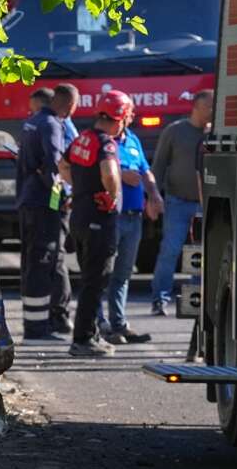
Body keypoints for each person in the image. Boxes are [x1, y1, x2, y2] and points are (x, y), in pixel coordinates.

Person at [62, 90, 132, 357]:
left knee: (88, 280)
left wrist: (79, 187)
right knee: (96, 281)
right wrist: (112, 196)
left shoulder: (83, 138)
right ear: (120, 117)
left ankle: (89, 334)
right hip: (99, 222)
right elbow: (110, 172)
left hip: (79, 217)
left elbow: (63, 165)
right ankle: (82, 340)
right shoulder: (106, 144)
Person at [97, 100, 163, 344]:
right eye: (129, 112)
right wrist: (121, 175)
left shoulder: (132, 139)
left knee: (123, 274)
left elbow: (145, 170)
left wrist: (154, 194)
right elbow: (91, 171)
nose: (133, 116)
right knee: (103, 273)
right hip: (111, 217)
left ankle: (119, 324)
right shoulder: (102, 141)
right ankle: (99, 324)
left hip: (134, 217)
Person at [148, 90, 214, 314]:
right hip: (177, 201)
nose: (212, 112)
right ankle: (160, 299)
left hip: (203, 205)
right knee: (170, 250)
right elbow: (158, 164)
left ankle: (195, 302)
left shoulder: (213, 133)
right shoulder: (175, 131)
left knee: (200, 255)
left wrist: (210, 135)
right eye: (209, 107)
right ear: (196, 107)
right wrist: (153, 196)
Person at [15, 88, 67, 340]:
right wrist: (60, 200)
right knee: (43, 261)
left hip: (27, 200)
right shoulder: (50, 125)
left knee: (31, 261)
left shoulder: (30, 123)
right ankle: (38, 328)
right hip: (44, 203)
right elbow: (54, 167)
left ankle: (35, 322)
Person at [48, 83, 80, 332]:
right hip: (60, 198)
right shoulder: (61, 125)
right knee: (56, 256)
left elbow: (61, 167)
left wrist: (59, 199)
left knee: (57, 256)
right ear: (71, 105)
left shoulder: (60, 126)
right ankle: (58, 311)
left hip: (59, 198)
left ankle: (60, 313)